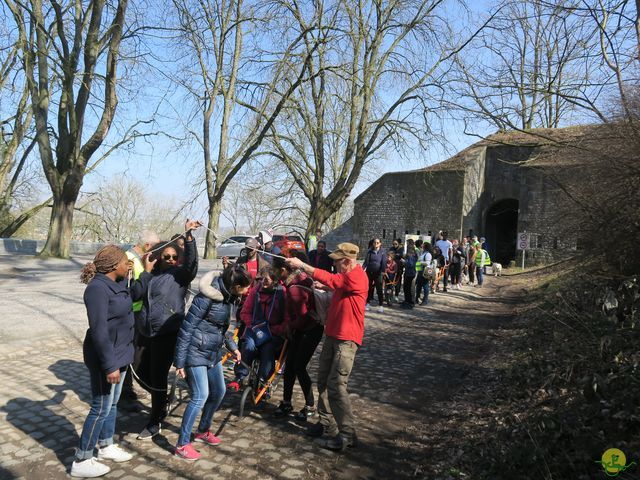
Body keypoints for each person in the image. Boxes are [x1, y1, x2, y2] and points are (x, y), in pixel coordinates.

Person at [71, 246, 155, 478]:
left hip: (121, 353)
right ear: (112, 266)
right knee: (100, 408)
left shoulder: (117, 284)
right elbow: (99, 332)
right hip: (105, 358)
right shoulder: (97, 289)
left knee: (113, 404)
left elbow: (133, 295)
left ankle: (106, 445)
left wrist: (145, 271)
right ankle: (82, 458)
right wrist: (110, 366)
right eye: (124, 261)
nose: (128, 264)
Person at [285, 242, 368, 452]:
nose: (335, 266)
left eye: (338, 262)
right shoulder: (347, 277)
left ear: (348, 261)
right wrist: (327, 287)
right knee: (323, 380)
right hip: (332, 335)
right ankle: (326, 423)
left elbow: (336, 280)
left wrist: (302, 265)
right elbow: (336, 283)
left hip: (346, 340)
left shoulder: (357, 276)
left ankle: (347, 435)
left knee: (337, 386)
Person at [172, 265, 251, 461]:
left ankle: (203, 431)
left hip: (212, 353)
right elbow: (186, 329)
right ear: (235, 286)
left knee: (219, 391)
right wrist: (180, 362)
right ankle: (182, 444)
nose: (247, 291)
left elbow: (221, 329)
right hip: (195, 352)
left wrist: (233, 347)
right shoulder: (206, 297)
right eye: (245, 287)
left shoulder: (229, 297)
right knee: (200, 395)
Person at [135, 219, 202, 440]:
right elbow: (135, 295)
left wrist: (189, 237)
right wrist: (145, 271)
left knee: (157, 377)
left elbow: (191, 264)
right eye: (168, 257)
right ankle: (160, 400)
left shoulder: (179, 276)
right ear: (159, 257)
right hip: (145, 332)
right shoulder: (149, 276)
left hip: (167, 333)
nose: (172, 260)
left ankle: (155, 421)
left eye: (175, 257)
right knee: (140, 371)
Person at [274, 250, 324, 421]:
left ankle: (310, 406)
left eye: (276, 270)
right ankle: (286, 402)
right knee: (289, 367)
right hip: (300, 329)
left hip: (311, 330)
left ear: (284, 270)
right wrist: (289, 324)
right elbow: (290, 312)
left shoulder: (295, 288)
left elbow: (303, 317)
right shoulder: (294, 281)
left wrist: (288, 327)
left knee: (299, 367)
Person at [229, 258, 289, 389]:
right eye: (261, 279)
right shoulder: (255, 291)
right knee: (248, 346)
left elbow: (287, 318)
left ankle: (263, 380)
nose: (263, 282)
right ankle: (239, 376)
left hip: (273, 332)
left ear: (274, 281)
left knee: (267, 350)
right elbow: (245, 312)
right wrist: (253, 326)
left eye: (266, 280)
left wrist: (277, 329)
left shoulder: (282, 293)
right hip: (254, 330)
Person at [120, 230, 159, 412]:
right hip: (131, 314)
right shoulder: (128, 260)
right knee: (128, 355)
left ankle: (130, 389)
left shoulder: (141, 259)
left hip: (139, 314)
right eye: (157, 248)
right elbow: (131, 292)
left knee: (135, 353)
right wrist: (147, 273)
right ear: (148, 246)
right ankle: (125, 395)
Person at [363, 238, 386, 313]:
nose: (376, 244)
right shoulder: (369, 251)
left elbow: (383, 262)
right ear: (372, 244)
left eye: (377, 242)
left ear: (380, 243)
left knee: (379, 289)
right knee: (368, 288)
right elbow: (366, 262)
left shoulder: (382, 252)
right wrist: (362, 269)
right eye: (374, 242)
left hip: (378, 273)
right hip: (369, 272)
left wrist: (382, 271)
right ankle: (368, 303)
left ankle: (381, 305)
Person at [401, 241, 417, 309]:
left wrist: (404, 262)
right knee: (406, 288)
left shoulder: (411, 255)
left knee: (408, 288)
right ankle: (407, 300)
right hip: (408, 273)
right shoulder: (410, 255)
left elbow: (410, 264)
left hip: (410, 273)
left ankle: (410, 302)